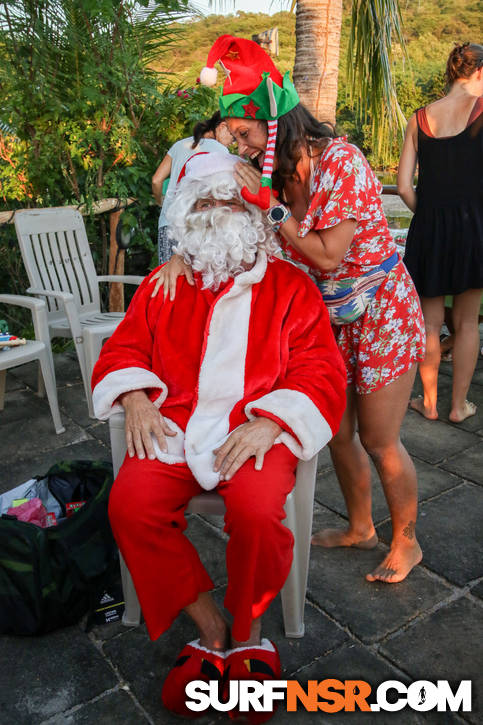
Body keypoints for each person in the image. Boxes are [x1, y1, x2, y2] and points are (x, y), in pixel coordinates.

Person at [152, 35, 426, 584]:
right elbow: (237, 235)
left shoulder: (341, 162)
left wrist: (270, 208)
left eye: (247, 134)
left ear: (275, 121)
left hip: (380, 314)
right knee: (337, 433)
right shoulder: (274, 179)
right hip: (325, 321)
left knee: (378, 437)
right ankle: (360, 526)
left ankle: (406, 539)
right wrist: (183, 258)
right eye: (236, 138)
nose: (244, 147)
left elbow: (327, 255)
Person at [92, 152, 346, 721]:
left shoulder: (290, 286)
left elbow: (321, 371)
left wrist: (274, 420)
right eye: (203, 203)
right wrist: (133, 396)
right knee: (130, 506)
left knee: (258, 514)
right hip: (175, 424)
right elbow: (124, 349)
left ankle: (250, 631)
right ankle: (211, 629)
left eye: (227, 201)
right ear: (186, 215)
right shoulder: (164, 283)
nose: (216, 212)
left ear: (251, 213)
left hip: (253, 430)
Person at [398, 42, 483, 423]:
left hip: (428, 231)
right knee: (466, 323)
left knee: (430, 324)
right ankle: (458, 407)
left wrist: (432, 217)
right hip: (473, 229)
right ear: (479, 72)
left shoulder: (418, 118)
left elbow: (403, 187)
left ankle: (428, 403)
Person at [152, 111, 234, 264]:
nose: (233, 143)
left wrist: (160, 202)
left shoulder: (178, 146)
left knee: (168, 280)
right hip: (200, 225)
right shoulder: (222, 152)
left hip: (169, 223)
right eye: (233, 137)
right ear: (222, 127)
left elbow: (156, 180)